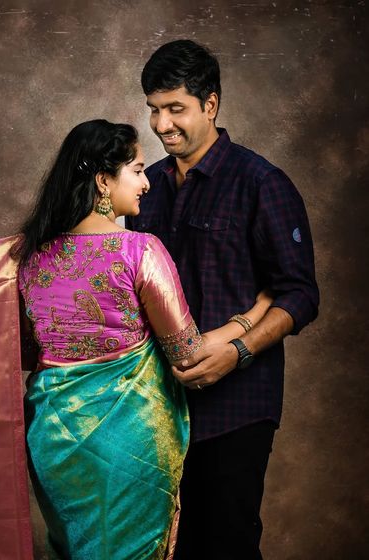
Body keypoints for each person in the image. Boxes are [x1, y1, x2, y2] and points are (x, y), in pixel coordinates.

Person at [0, 119, 273, 560]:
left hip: (55, 440)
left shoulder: (28, 257)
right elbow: (188, 356)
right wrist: (251, 316)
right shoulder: (140, 251)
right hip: (129, 447)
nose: (145, 183)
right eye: (136, 170)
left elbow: (25, 353)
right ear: (103, 181)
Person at [126, 40, 320, 559]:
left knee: (225, 544)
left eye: (175, 108)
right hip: (158, 406)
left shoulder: (261, 183)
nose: (162, 124)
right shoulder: (147, 187)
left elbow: (301, 293)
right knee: (165, 548)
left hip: (237, 407)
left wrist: (238, 350)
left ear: (210, 104)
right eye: (154, 110)